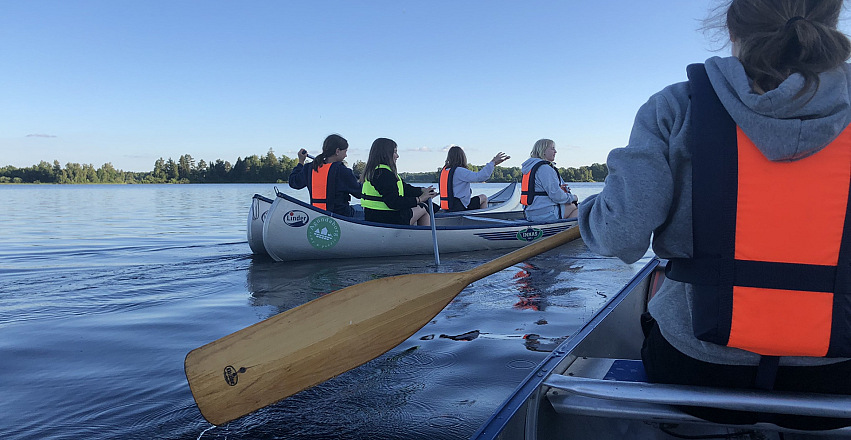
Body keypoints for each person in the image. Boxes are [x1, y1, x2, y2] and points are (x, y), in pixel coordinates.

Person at [577, 0, 851, 430]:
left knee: (656, 288)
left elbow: (620, 236)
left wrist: (589, 210)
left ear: (732, 27)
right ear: (832, 20)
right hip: (834, 376)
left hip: (697, 369)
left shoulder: (674, 105)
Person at [359, 138, 437, 226]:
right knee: (424, 208)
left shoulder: (374, 171)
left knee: (415, 206)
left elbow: (405, 188)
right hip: (387, 219)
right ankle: (424, 238)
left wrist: (422, 190)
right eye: (395, 152)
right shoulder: (384, 174)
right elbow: (394, 202)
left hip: (372, 216)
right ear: (386, 154)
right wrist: (420, 199)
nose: (397, 156)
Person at [288, 134, 362, 218]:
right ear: (337, 151)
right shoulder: (343, 171)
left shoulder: (309, 168)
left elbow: (293, 182)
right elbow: (359, 193)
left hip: (317, 214)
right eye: (345, 151)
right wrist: (362, 181)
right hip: (342, 216)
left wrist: (301, 162)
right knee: (364, 209)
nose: (346, 155)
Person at [520, 139, 579, 221]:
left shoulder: (530, 167)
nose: (555, 151)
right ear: (543, 151)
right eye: (552, 148)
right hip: (545, 214)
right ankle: (566, 231)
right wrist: (573, 198)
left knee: (571, 206)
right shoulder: (545, 168)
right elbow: (557, 196)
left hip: (531, 212)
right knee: (581, 210)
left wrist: (559, 189)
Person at [439, 146, 509, 212]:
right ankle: (483, 220)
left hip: (448, 207)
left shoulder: (445, 171)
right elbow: (480, 177)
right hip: (459, 207)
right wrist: (493, 162)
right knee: (484, 198)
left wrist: (493, 164)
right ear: (462, 157)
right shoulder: (459, 171)